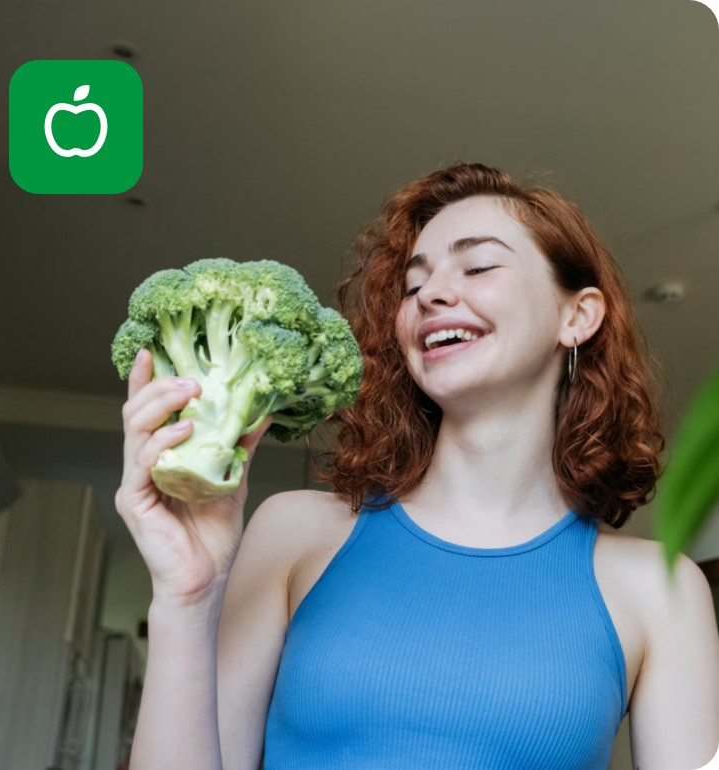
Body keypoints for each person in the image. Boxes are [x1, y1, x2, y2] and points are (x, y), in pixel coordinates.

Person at [116, 162, 719, 770]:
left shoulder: (659, 593)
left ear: (577, 316)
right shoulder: (295, 534)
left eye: (479, 266)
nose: (430, 294)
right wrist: (185, 601)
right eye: (412, 285)